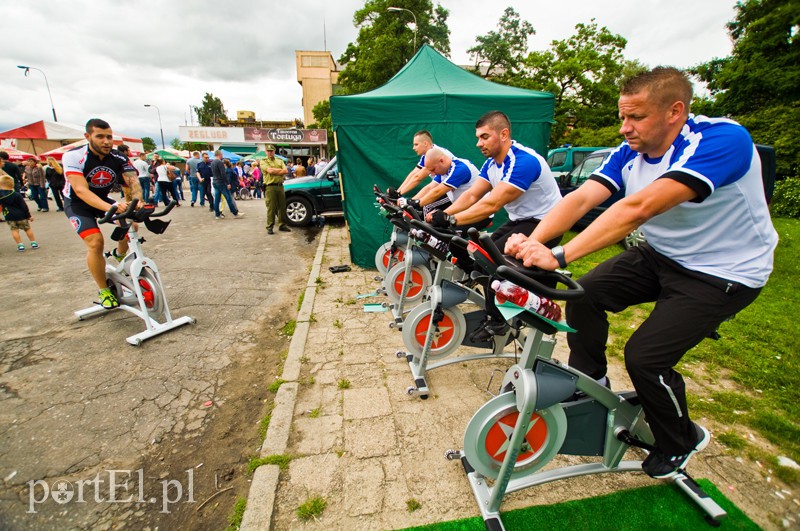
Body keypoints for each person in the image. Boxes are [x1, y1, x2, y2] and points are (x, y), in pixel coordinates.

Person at [505, 67, 779, 479]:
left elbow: (638, 209)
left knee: (645, 358)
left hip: (725, 273)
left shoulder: (722, 140)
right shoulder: (630, 149)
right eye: (622, 117)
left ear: (675, 111)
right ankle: (589, 380)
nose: (625, 127)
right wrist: (535, 242)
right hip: (664, 256)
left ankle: (681, 439)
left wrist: (560, 255)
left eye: (636, 117)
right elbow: (581, 198)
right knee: (586, 295)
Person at [425, 110, 562, 342]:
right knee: (474, 252)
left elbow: (493, 202)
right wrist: (443, 214)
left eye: (485, 137)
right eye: (478, 137)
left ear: (504, 134)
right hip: (520, 220)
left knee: (495, 264)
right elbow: (471, 196)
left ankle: (500, 320)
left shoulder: (523, 161)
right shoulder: (491, 164)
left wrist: (451, 220)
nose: (479, 143)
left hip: (546, 222)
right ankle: (495, 304)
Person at [62, 118, 142, 309]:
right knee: (96, 242)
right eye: (100, 137)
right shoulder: (74, 156)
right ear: (88, 136)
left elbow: (133, 182)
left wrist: (137, 201)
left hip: (101, 198)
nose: (106, 141)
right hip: (77, 203)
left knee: (132, 225)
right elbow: (81, 190)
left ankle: (120, 255)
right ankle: (104, 289)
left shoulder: (119, 157)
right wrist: (113, 208)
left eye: (109, 137)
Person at [395, 131, 453, 196]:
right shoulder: (427, 154)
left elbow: (418, 177)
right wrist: (397, 192)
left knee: (420, 204)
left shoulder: (434, 155)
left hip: (452, 191)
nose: (413, 148)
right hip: (445, 189)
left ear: (425, 143)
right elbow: (414, 173)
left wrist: (398, 194)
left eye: (416, 144)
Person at [0, 174, 39, 251]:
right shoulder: (16, 195)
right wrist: (28, 215)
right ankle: (33, 242)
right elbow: (23, 206)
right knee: (27, 229)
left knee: (14, 230)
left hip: (9, 215)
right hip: (21, 215)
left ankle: (20, 245)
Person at [259, 144, 290, 234]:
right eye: (268, 151)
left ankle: (282, 225)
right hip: (270, 186)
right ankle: (270, 226)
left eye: (271, 151)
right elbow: (269, 171)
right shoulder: (263, 161)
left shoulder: (279, 160)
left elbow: (286, 171)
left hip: (280, 186)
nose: (269, 153)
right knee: (271, 208)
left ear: (274, 151)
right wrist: (279, 171)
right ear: (266, 152)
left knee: (282, 207)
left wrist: (274, 171)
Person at [211, 150, 241, 220]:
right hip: (221, 182)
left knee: (217, 199)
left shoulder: (212, 162)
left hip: (215, 182)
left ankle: (217, 214)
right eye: (221, 154)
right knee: (228, 197)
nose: (222, 156)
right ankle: (235, 212)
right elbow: (223, 174)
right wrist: (227, 183)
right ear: (219, 154)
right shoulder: (220, 162)